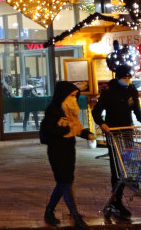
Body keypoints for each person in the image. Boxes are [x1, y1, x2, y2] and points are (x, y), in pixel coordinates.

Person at [91, 67, 141, 219]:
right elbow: (96, 111)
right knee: (117, 169)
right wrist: (102, 124)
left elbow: (136, 109)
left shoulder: (131, 90)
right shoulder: (109, 92)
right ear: (118, 78)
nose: (127, 80)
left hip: (127, 132)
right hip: (114, 133)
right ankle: (117, 200)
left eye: (128, 78)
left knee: (127, 167)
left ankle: (118, 198)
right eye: (124, 78)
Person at [40, 81, 95, 229]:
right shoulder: (53, 110)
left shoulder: (71, 111)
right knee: (65, 182)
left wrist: (86, 133)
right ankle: (76, 217)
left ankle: (49, 211)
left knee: (64, 182)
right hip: (57, 150)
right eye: (71, 95)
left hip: (69, 149)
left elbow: (77, 127)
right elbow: (49, 129)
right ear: (63, 95)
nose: (73, 98)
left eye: (75, 96)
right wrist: (65, 129)